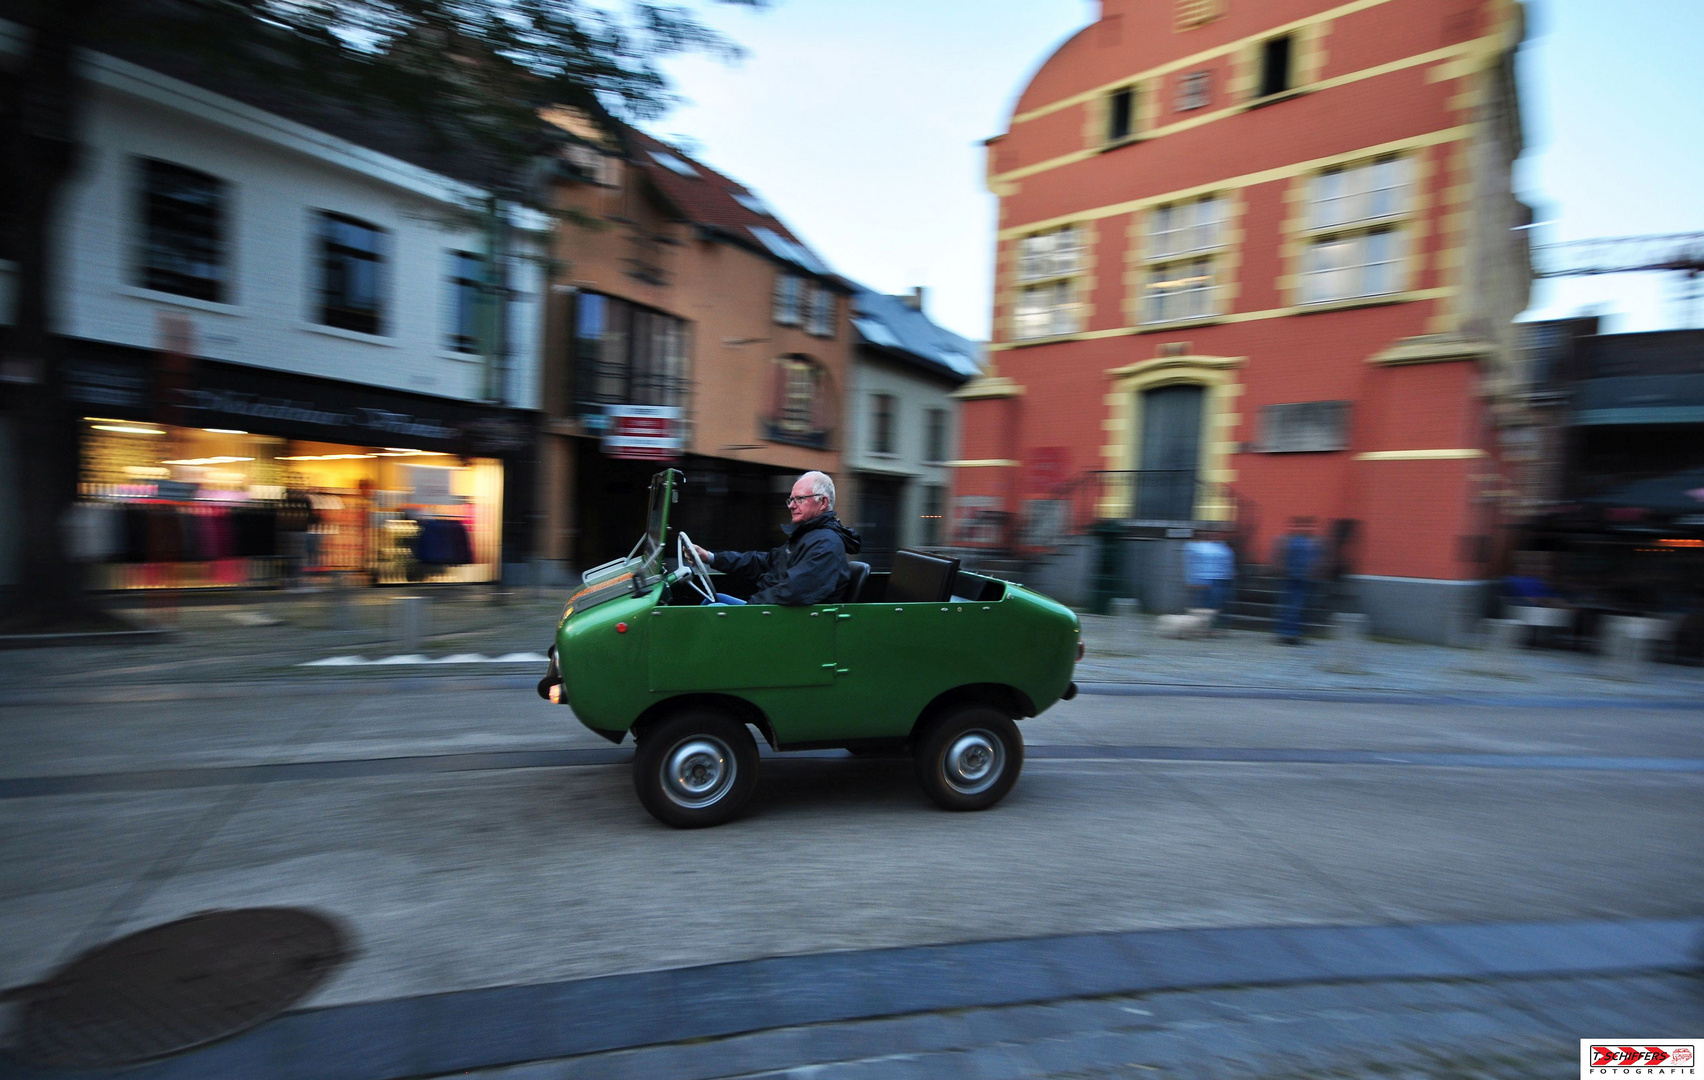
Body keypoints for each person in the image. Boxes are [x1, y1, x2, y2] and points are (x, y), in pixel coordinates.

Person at [689, 471, 862, 606]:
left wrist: (749, 607)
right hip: (775, 614)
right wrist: (710, 557)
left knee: (714, 611)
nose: (792, 506)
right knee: (714, 600)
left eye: (799, 499)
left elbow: (792, 592)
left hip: (793, 625)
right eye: (791, 500)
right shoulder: (807, 536)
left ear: (823, 502)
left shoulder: (826, 544)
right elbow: (763, 561)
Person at [1273, 517, 1320, 645]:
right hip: (1300, 578)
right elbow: (1311, 562)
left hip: (1290, 577)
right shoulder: (1308, 543)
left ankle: (1284, 632)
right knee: (1296, 606)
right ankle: (1291, 633)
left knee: (1288, 605)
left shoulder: (1288, 541)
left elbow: (1280, 557)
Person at [1184, 530, 1236, 625]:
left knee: (1219, 605)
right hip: (1208, 579)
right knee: (1210, 606)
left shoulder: (1220, 546)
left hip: (1224, 579)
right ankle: (1205, 626)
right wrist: (1192, 580)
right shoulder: (1194, 547)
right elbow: (1190, 563)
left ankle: (1217, 626)